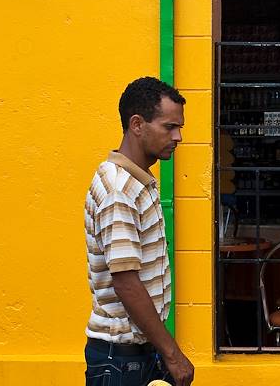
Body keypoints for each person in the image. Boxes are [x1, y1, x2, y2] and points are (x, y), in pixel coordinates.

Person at [83, 77, 193, 386]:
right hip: (119, 360)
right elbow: (127, 283)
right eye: (169, 127)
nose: (178, 136)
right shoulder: (119, 190)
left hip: (139, 352)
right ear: (137, 124)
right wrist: (173, 355)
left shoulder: (136, 181)